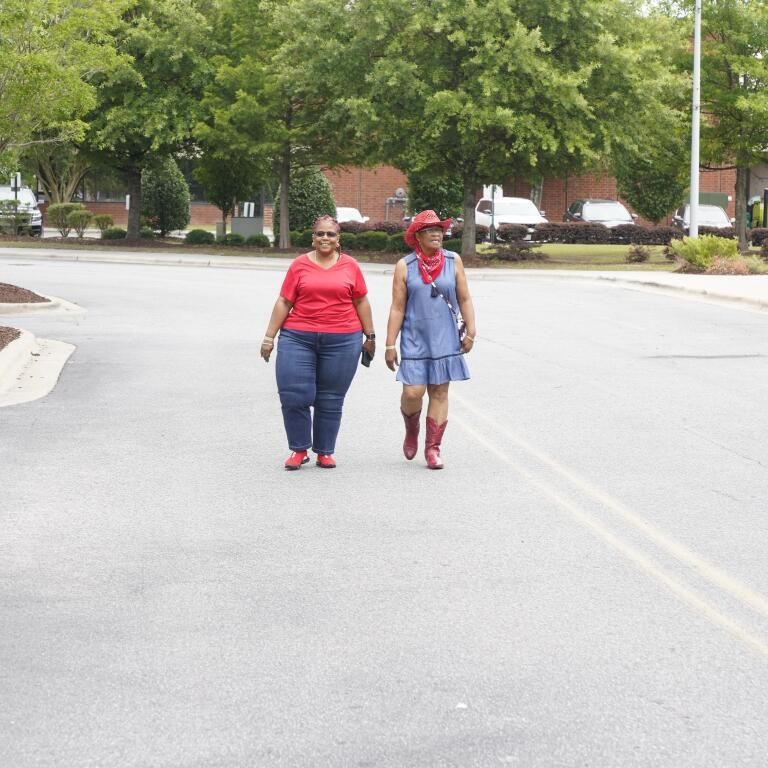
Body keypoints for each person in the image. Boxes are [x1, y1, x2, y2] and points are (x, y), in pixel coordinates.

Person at [260, 215, 376, 470]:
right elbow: (284, 301)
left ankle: (325, 451)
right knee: (294, 395)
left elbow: (361, 301)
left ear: (338, 239)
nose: (325, 238)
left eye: (330, 234)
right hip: (298, 337)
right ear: (313, 238)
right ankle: (299, 449)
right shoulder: (299, 265)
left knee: (330, 398)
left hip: (343, 340)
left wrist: (370, 336)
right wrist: (269, 337)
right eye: (320, 234)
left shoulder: (351, 266)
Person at [384, 209, 476, 469]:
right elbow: (397, 307)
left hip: (445, 337)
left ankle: (433, 448)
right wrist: (390, 343)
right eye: (430, 230)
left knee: (440, 391)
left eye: (439, 229)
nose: (436, 234)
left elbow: (464, 297)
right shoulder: (405, 266)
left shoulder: (453, 260)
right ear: (418, 236)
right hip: (414, 337)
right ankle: (411, 428)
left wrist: (471, 330)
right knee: (413, 392)